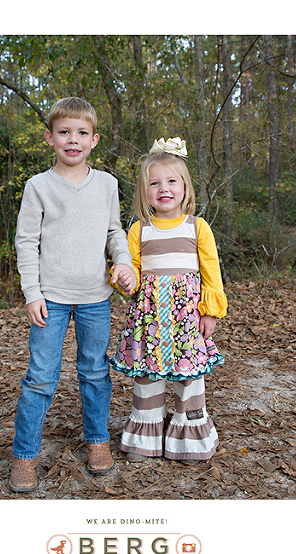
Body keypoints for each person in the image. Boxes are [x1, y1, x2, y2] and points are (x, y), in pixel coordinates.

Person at [9, 97, 136, 492]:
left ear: (94, 140)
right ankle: (24, 455)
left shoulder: (107, 184)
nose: (73, 140)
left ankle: (98, 441)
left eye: (82, 132)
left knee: (95, 371)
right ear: (50, 138)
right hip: (51, 297)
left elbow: (114, 231)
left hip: (95, 296)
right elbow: (26, 241)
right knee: (40, 377)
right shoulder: (39, 187)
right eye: (64, 132)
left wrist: (124, 261)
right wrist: (32, 292)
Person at [110, 137, 227, 464]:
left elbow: (212, 272)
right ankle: (145, 435)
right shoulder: (139, 231)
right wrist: (126, 279)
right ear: (144, 192)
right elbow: (132, 273)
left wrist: (210, 312)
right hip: (149, 321)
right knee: (148, 375)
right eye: (154, 183)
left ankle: (189, 437)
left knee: (189, 375)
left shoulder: (197, 228)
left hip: (186, 321)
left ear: (185, 188)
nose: (164, 188)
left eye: (172, 181)